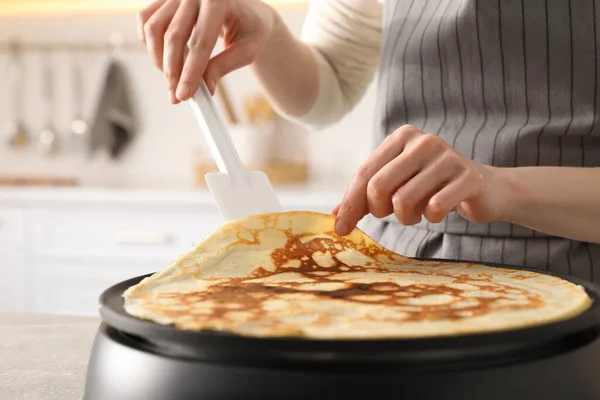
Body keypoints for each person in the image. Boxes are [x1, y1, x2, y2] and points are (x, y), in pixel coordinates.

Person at [137, 0, 600, 282]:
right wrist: (266, 26)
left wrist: (496, 186)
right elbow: (328, 89)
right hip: (394, 270)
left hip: (574, 276)